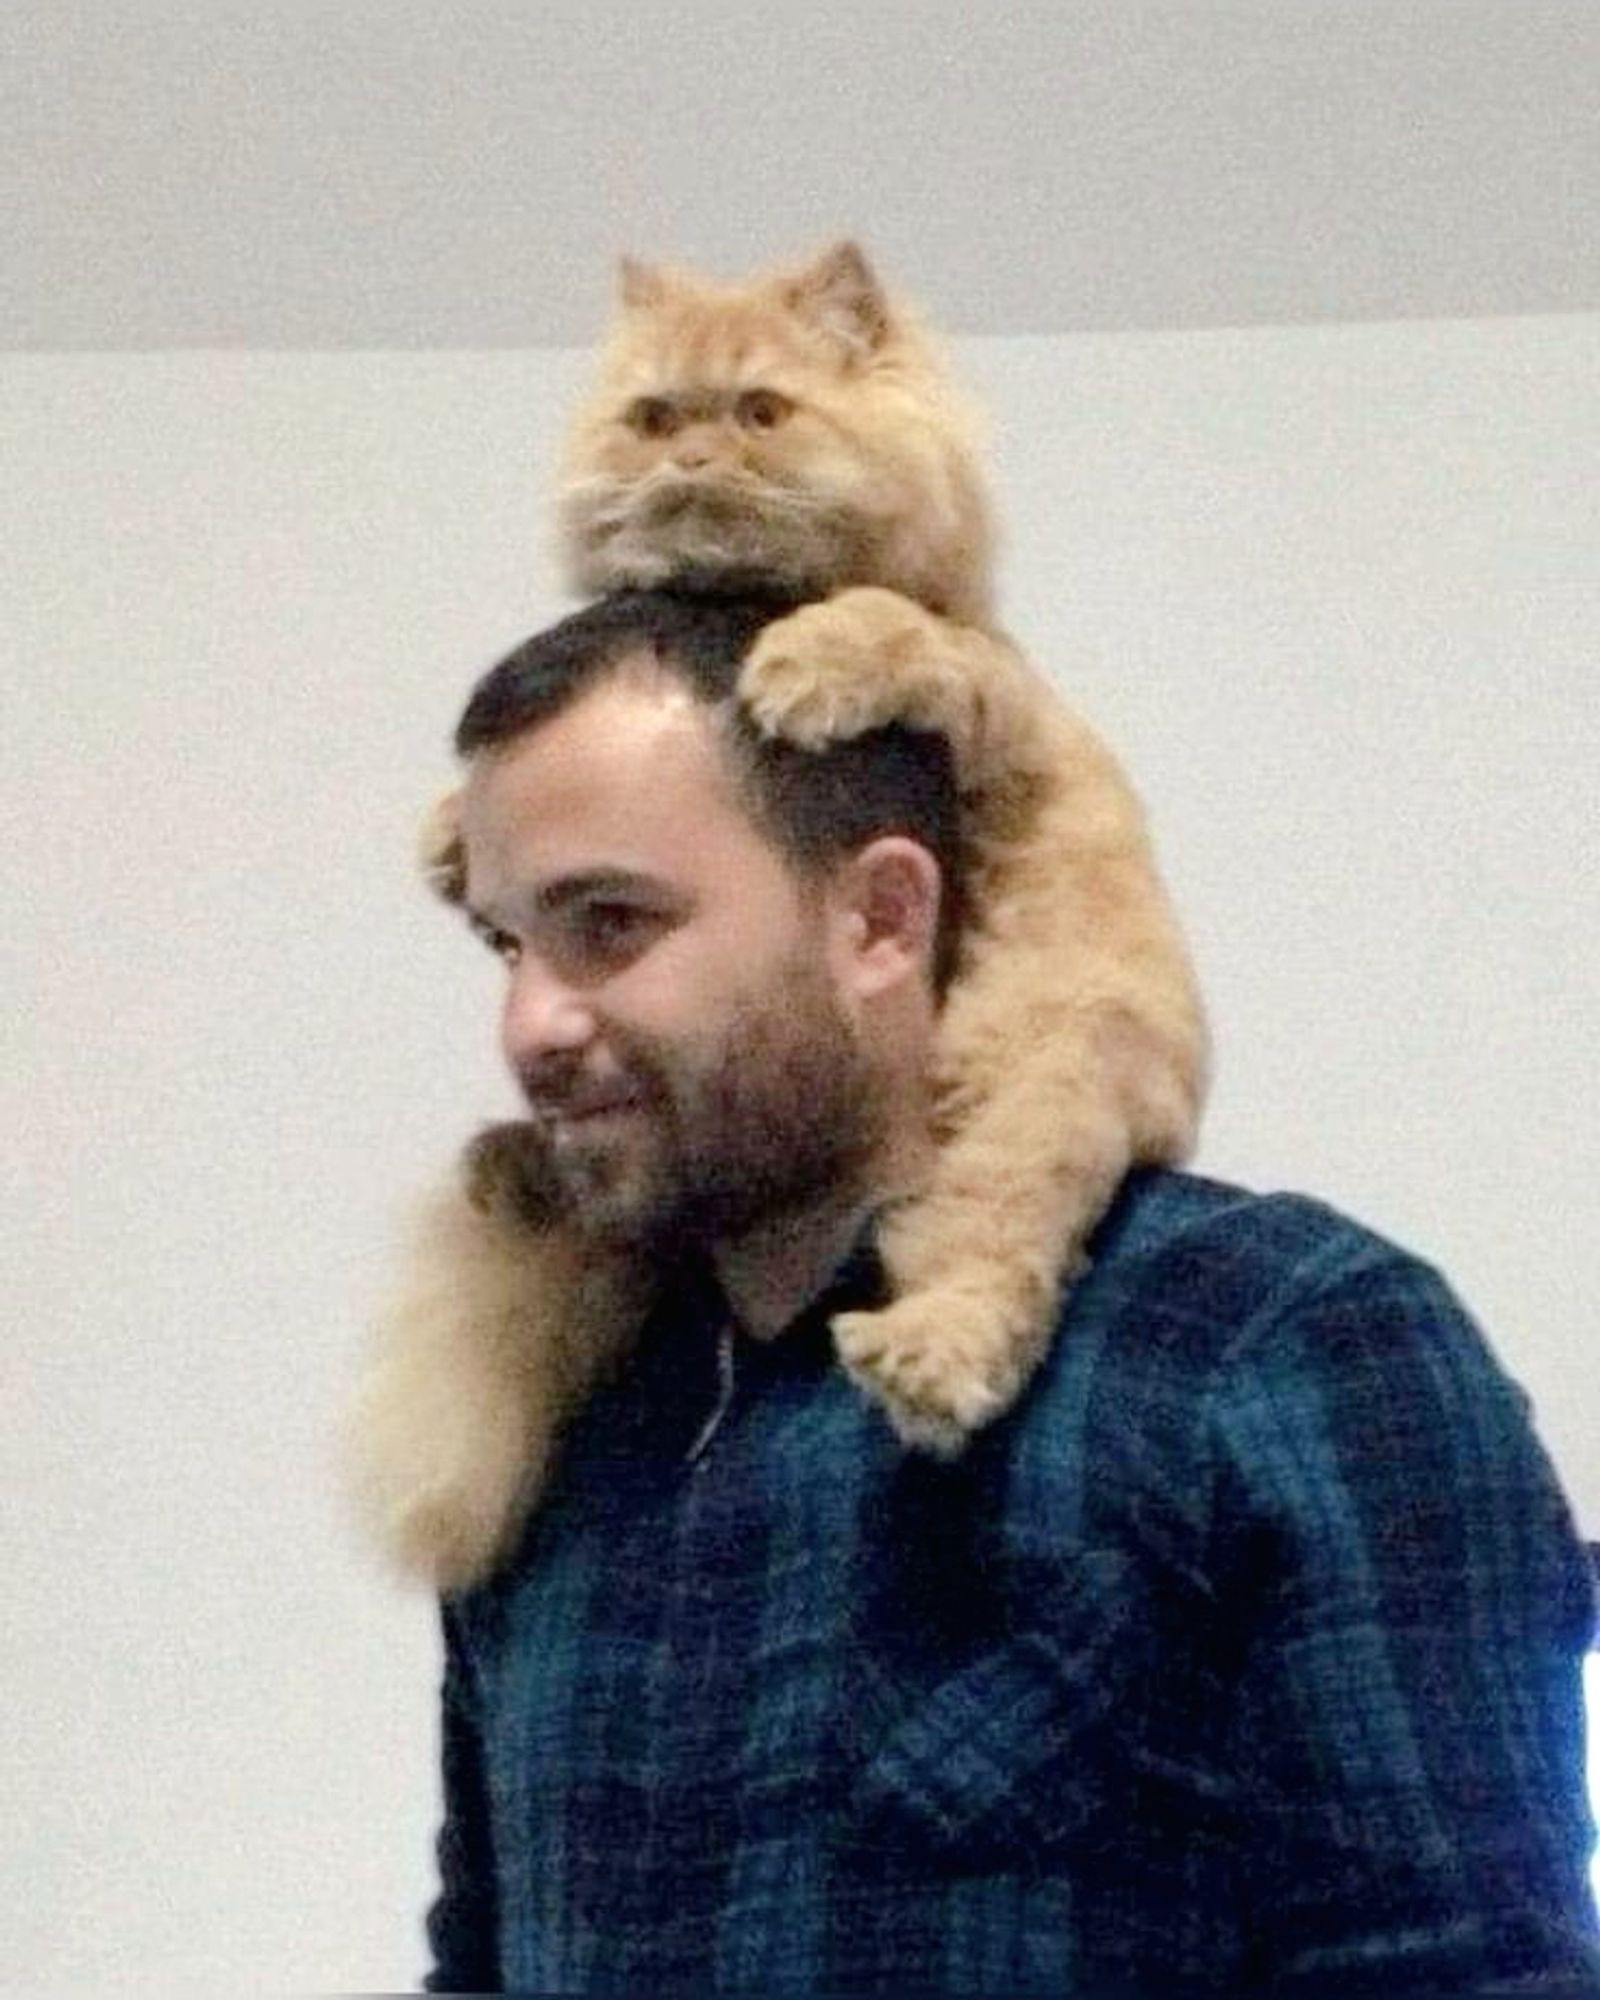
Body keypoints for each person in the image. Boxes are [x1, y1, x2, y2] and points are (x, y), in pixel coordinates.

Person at [418, 586, 1598, 1997]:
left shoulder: (1277, 1346)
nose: (533, 1023)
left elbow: (1469, 1974)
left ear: (879, 918)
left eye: (610, 923)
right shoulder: (561, 1430)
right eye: (508, 944)